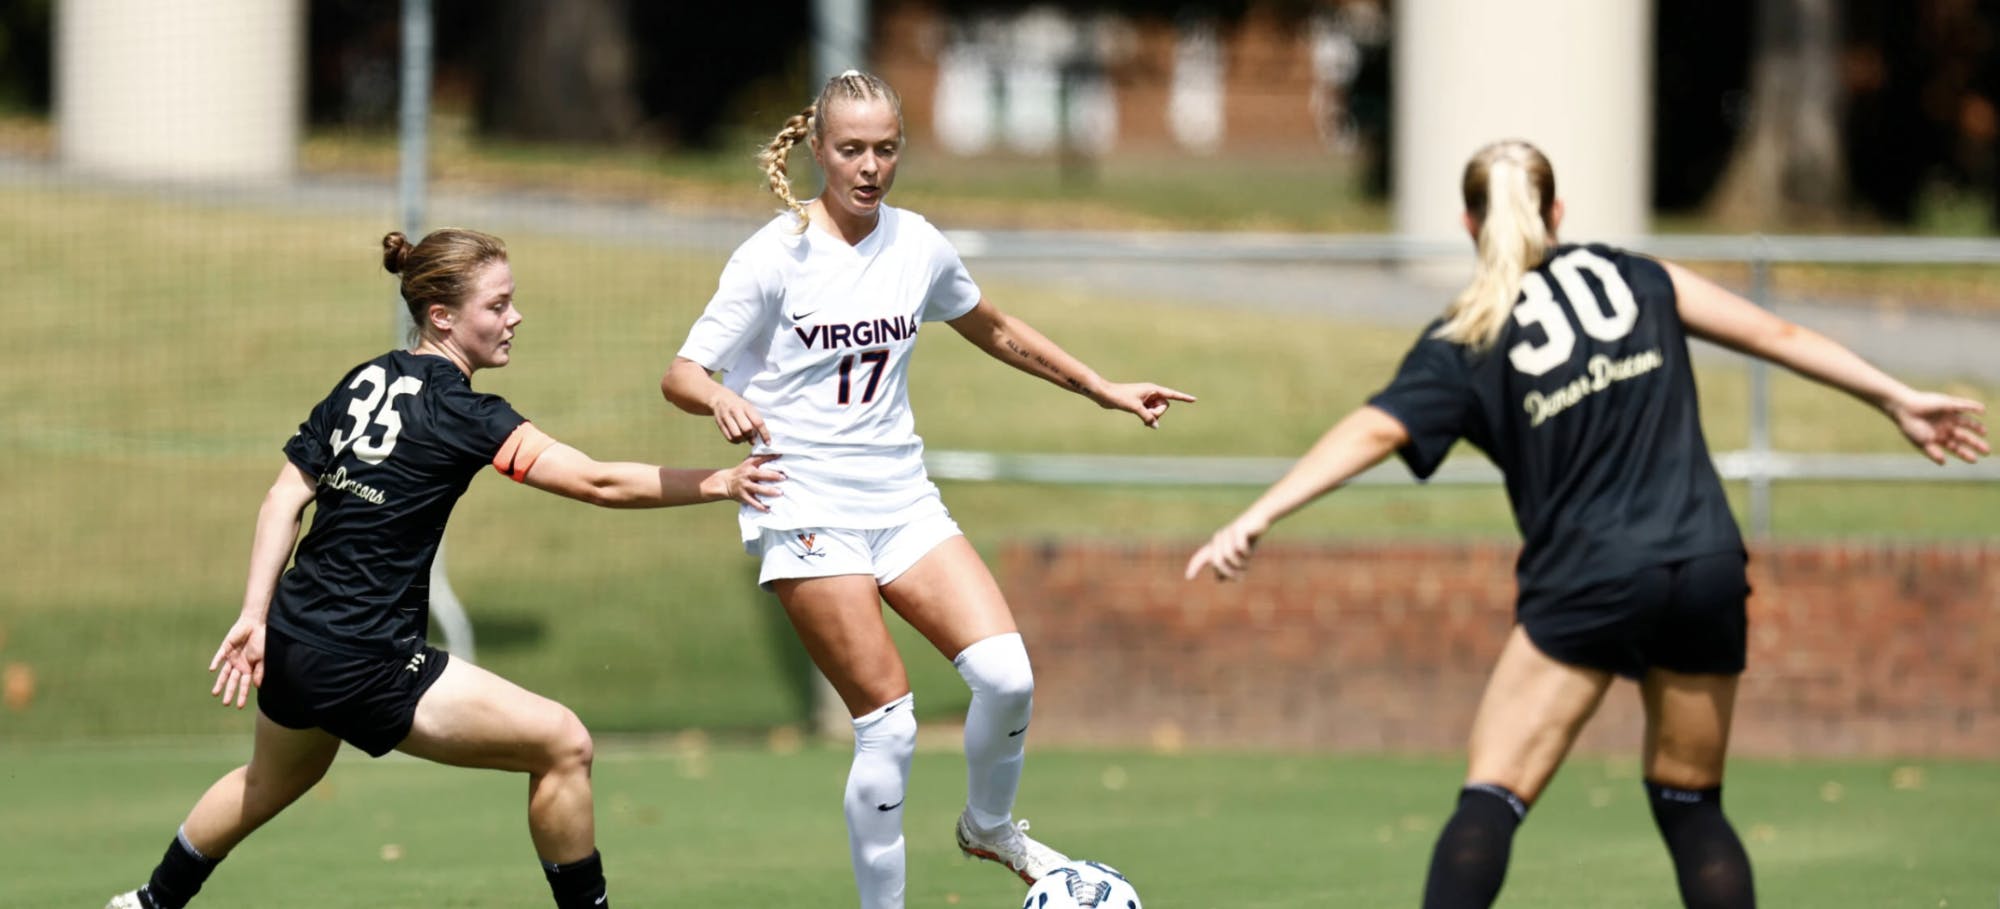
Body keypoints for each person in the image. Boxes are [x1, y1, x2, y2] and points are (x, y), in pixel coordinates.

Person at [1185, 140, 1987, 909]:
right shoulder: (1640, 276)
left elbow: (1373, 429)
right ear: (1557, 208)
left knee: (1492, 796)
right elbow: (1777, 334)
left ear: (1469, 224)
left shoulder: (1466, 335)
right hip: (1703, 561)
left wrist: (1258, 513)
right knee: (1691, 803)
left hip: (1589, 579)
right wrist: (1896, 397)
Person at [106, 228, 785, 909]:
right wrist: (721, 482)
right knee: (563, 744)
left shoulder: (364, 378)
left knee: (271, 780)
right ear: (442, 316)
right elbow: (596, 482)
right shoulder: (464, 411)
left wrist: (255, 616)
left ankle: (146, 902)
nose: (514, 317)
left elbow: (284, 494)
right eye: (498, 304)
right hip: (363, 655)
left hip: (293, 634)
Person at [660, 70, 1194, 909]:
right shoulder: (776, 254)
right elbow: (682, 372)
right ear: (817, 151)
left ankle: (988, 825)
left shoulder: (917, 245)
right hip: (804, 504)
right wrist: (722, 394)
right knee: (892, 725)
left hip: (902, 500)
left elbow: (997, 329)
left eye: (886, 149)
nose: (870, 167)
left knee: (1009, 676)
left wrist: (1102, 386)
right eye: (851, 150)